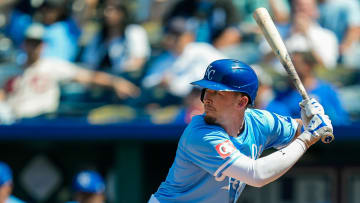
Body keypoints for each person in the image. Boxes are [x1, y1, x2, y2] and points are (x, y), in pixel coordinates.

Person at [148, 59, 333, 203]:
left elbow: (299, 128)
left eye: (218, 92)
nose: (207, 99)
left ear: (242, 102)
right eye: (207, 90)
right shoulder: (200, 135)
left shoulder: (260, 121)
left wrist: (310, 120)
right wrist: (308, 137)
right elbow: (257, 175)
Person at [0, 23, 139, 123]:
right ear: (23, 44)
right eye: (30, 43)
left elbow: (88, 76)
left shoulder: (52, 65)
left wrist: (115, 82)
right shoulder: (9, 70)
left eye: (37, 43)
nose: (34, 48)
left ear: (43, 45)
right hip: (14, 123)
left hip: (43, 122)